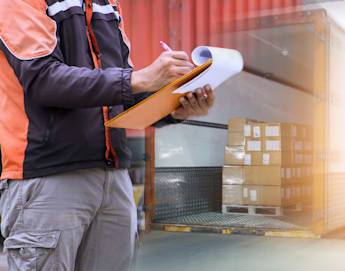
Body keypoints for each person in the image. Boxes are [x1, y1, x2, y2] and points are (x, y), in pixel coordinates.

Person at [0, 0, 215, 270]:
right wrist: (139, 78)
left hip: (113, 178)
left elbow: (121, 96)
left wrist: (177, 109)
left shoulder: (108, 6)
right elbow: (44, 80)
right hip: (49, 176)